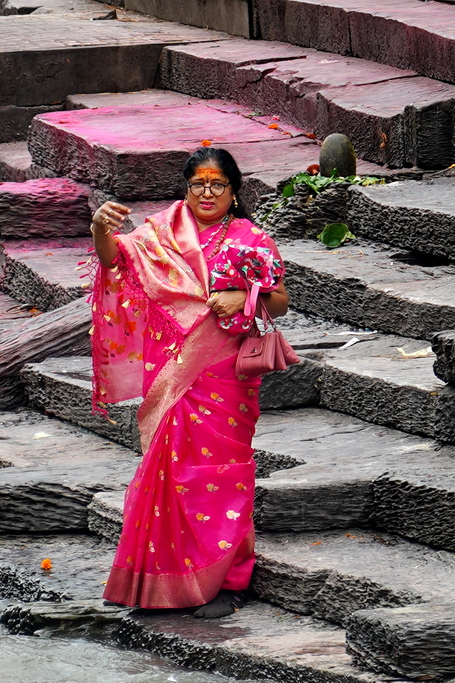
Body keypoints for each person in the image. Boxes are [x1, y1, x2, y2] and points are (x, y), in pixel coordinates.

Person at [89, 147, 289, 618]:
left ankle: (230, 580)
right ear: (186, 187)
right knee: (170, 473)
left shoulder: (250, 236)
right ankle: (162, 583)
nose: (207, 192)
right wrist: (101, 230)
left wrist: (244, 297)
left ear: (234, 191)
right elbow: (115, 260)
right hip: (171, 368)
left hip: (225, 374)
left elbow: (279, 302)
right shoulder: (161, 231)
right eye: (198, 183)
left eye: (217, 184)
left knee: (221, 472)